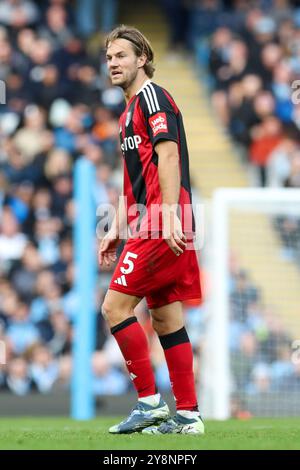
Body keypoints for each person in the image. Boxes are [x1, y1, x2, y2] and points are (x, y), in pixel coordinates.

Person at [99, 24, 204, 435]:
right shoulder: (127, 114)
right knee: (165, 317)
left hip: (163, 221)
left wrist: (172, 214)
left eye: (121, 56)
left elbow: (169, 154)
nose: (113, 63)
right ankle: (189, 415)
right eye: (109, 58)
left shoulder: (152, 97)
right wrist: (115, 229)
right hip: (153, 219)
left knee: (114, 307)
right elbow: (133, 187)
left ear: (142, 58)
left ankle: (148, 403)